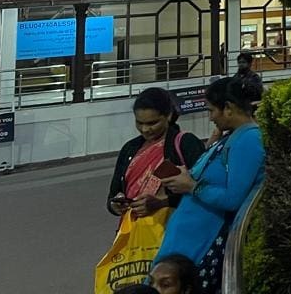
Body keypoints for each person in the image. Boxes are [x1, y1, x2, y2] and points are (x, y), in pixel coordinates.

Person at [155, 75, 266, 294]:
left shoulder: (249, 140)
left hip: (201, 243)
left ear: (228, 108)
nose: (211, 117)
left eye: (212, 110)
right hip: (190, 238)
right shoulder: (233, 137)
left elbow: (232, 198)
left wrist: (191, 186)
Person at [108, 88, 206, 220]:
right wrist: (115, 204)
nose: (145, 129)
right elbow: (114, 194)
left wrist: (162, 202)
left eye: (152, 123)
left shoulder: (185, 144)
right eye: (139, 123)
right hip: (132, 227)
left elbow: (203, 190)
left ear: (169, 115)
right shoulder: (130, 148)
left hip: (173, 225)